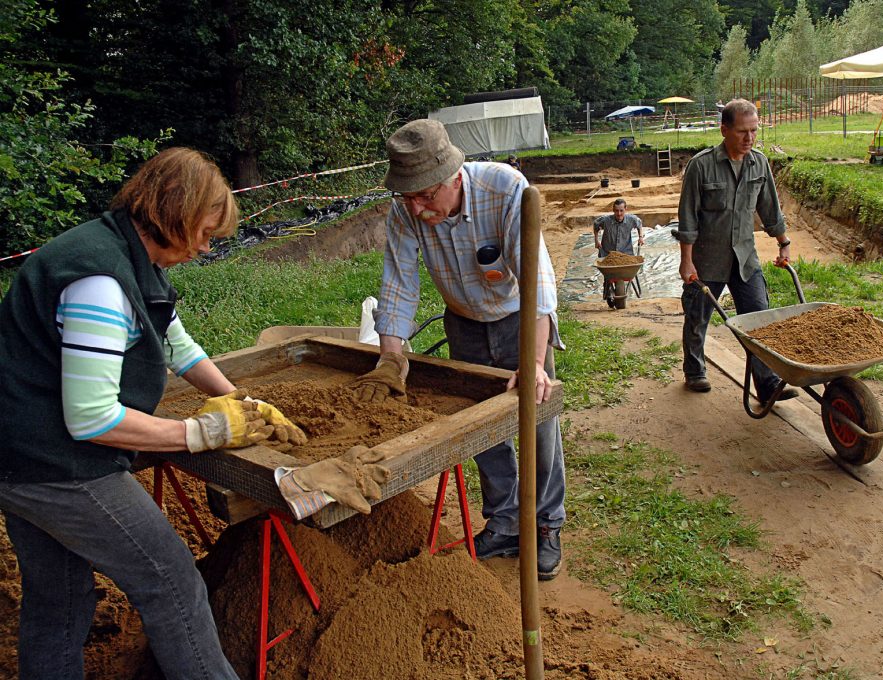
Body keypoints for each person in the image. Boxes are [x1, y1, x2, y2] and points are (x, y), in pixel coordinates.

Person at [0, 147, 309, 680]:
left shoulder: (123, 250)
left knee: (61, 596)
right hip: (51, 464)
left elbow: (175, 343)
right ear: (176, 216)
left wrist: (241, 400)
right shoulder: (99, 282)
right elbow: (92, 419)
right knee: (170, 579)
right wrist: (206, 431)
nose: (207, 247)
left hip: (17, 452)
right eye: (206, 234)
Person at [350, 119, 566, 580]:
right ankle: (506, 520)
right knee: (479, 429)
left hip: (520, 320)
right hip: (464, 324)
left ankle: (546, 524)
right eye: (408, 196)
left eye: (426, 195)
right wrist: (390, 360)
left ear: (454, 177)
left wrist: (531, 363)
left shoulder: (506, 189)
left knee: (537, 420)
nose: (418, 206)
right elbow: (399, 285)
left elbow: (538, 283)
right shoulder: (407, 211)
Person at [674, 99, 799, 404]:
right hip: (707, 260)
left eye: (754, 131)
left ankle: (767, 384)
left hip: (745, 259)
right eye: (742, 131)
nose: (749, 138)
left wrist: (783, 241)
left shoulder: (759, 163)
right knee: (697, 317)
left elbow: (770, 208)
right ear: (724, 130)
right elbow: (688, 218)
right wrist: (686, 261)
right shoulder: (701, 166)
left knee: (759, 320)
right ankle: (694, 370)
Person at [593, 199, 644, 307]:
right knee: (609, 276)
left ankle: (614, 290)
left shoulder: (631, 219)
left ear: (626, 209)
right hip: (608, 254)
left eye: (621, 210)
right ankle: (609, 289)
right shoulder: (606, 220)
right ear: (613, 210)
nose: (619, 214)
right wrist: (596, 240)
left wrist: (640, 237)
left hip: (626, 254)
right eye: (616, 211)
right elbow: (596, 225)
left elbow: (639, 224)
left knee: (617, 274)